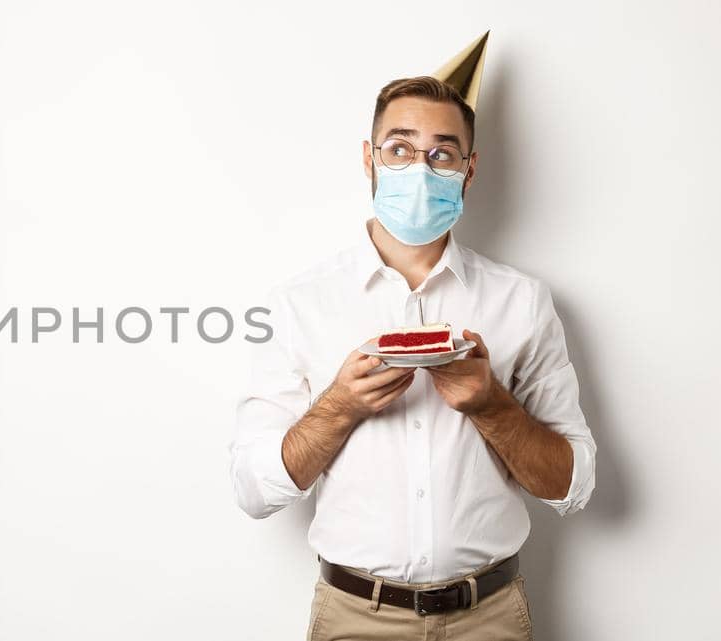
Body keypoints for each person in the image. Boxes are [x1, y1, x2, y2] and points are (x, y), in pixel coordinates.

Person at [229, 34, 596, 640]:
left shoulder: (522, 302)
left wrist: (491, 404)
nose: (419, 170)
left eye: (442, 155)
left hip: (491, 618)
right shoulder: (301, 303)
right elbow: (253, 490)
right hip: (354, 618)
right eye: (399, 149)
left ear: (468, 171)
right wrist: (340, 406)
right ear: (369, 159)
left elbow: (573, 486)